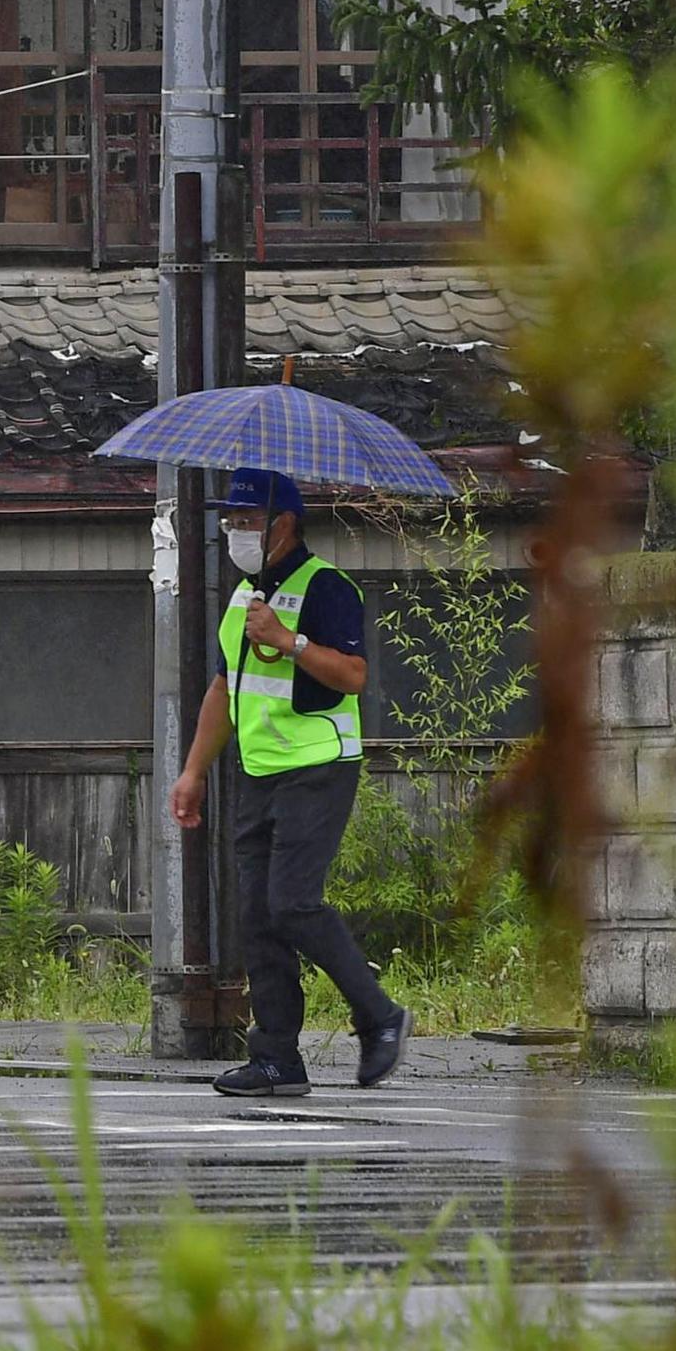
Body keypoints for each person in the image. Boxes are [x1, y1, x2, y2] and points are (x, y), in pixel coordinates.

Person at [167, 469, 410, 1097]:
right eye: (230, 522)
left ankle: (379, 1015)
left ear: (285, 524)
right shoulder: (242, 597)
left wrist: (287, 639)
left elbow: (353, 675)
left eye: (247, 521)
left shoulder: (326, 587)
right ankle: (276, 1059)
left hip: (319, 762)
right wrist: (193, 770)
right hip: (259, 770)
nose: (236, 532)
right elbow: (224, 688)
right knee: (257, 915)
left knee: (292, 903)